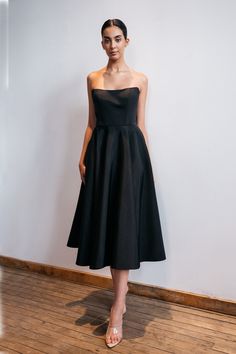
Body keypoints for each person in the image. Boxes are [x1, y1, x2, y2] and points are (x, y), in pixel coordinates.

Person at [67, 18, 166, 348]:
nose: (112, 45)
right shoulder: (92, 78)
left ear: (127, 41)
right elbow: (91, 124)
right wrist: (82, 158)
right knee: (108, 227)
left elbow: (140, 125)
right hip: (101, 158)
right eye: (107, 40)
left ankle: (117, 307)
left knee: (124, 227)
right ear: (102, 44)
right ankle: (120, 298)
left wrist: (145, 166)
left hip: (130, 159)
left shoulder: (140, 79)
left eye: (118, 39)